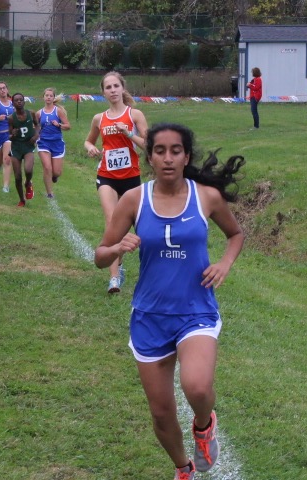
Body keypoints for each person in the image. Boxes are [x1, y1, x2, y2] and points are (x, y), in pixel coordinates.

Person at [94, 123, 245, 480]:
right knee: (161, 413)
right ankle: (183, 468)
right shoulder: (134, 199)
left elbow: (235, 234)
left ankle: (204, 426)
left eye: (175, 150)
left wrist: (224, 263)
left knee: (196, 386)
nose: (167, 158)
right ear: (149, 158)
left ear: (186, 156)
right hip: (149, 316)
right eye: (159, 151)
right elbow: (100, 256)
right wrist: (117, 248)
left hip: (196, 311)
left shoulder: (206, 196)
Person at [84, 71, 149, 294]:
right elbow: (88, 141)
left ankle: (137, 268)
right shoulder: (99, 119)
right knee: (112, 222)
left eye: (115, 86)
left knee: (138, 226)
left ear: (122, 88)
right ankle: (114, 277)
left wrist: (129, 133)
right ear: (103, 92)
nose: (112, 90)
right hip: (107, 177)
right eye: (108, 87)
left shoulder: (135, 115)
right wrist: (91, 148)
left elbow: (149, 147)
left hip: (131, 178)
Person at [36, 88, 71, 199]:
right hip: (43, 142)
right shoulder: (39, 113)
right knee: (47, 167)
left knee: (56, 172)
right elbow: (35, 128)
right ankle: (50, 193)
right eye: (46, 95)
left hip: (57, 143)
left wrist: (59, 125)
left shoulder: (58, 111)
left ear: (53, 98)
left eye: (51, 96)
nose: (48, 97)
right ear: (43, 97)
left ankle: (54, 177)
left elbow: (68, 126)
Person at [8, 93, 40, 206]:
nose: (19, 102)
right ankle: (22, 199)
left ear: (24, 102)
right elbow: (9, 135)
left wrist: (36, 136)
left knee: (28, 170)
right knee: (17, 176)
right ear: (13, 103)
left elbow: (37, 126)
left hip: (28, 146)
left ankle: (28, 183)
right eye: (16, 100)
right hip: (16, 148)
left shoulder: (31, 113)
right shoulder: (11, 118)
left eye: (21, 100)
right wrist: (13, 134)